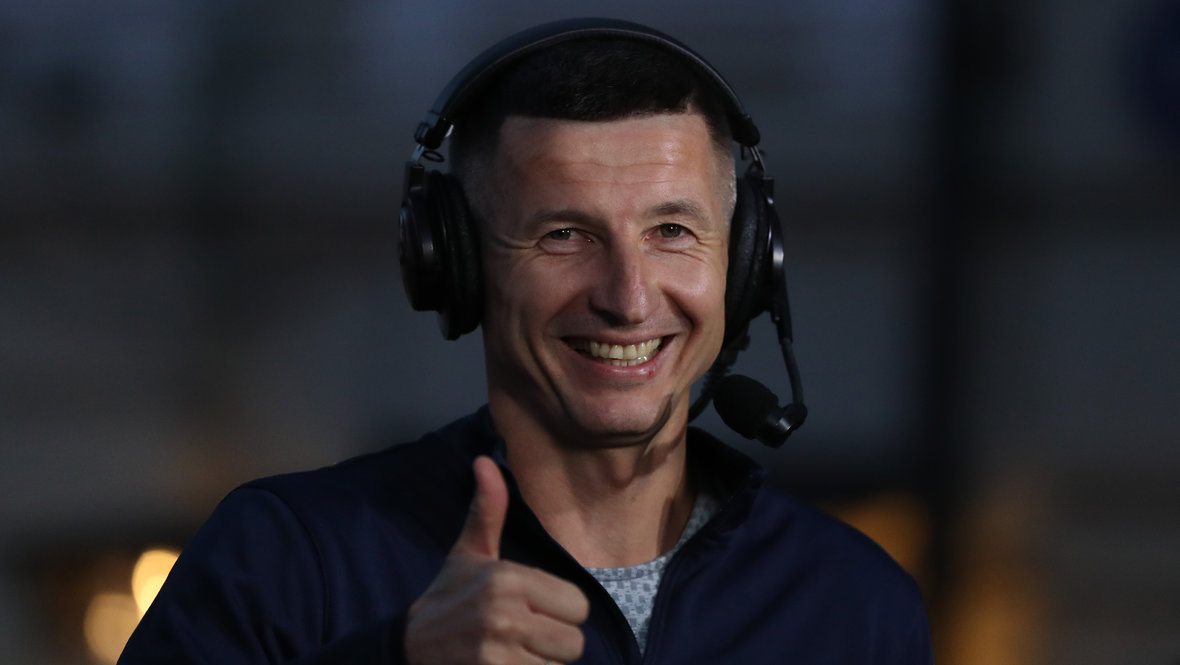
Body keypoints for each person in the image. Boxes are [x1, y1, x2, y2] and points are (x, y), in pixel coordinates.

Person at [119, 18, 933, 665]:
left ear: (746, 262)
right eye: (564, 235)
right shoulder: (287, 557)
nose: (628, 298)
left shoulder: (854, 602)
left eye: (673, 232)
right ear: (458, 265)